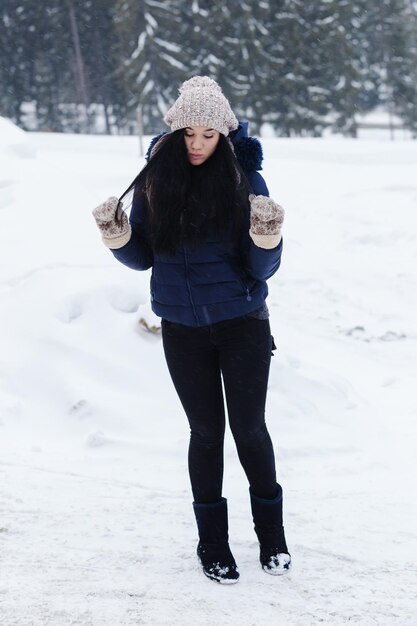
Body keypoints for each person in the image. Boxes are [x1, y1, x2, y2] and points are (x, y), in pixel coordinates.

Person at [92, 76, 291, 584]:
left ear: (224, 134)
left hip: (242, 324)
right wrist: (117, 234)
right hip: (182, 329)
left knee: (250, 431)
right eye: (188, 134)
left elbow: (261, 269)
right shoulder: (157, 180)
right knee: (205, 433)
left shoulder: (245, 179)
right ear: (174, 133)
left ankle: (273, 541)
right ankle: (213, 546)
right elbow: (142, 259)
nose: (198, 144)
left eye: (208, 134)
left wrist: (267, 238)